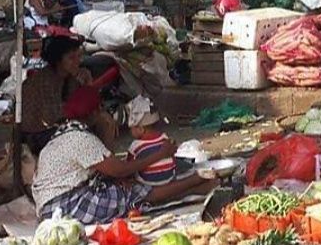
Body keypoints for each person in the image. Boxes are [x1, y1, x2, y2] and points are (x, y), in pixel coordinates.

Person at [31, 86, 217, 223]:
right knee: (131, 192)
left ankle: (190, 189)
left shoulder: (67, 132)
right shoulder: (79, 138)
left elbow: (106, 164)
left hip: (55, 202)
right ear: (95, 111)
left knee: (127, 186)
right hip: (64, 207)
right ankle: (194, 182)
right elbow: (119, 170)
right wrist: (161, 154)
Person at [20, 36, 118, 155]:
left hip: (62, 123)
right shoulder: (44, 81)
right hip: (39, 133)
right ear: (58, 60)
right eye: (71, 58)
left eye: (78, 56)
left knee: (105, 121)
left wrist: (87, 86)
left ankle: (107, 162)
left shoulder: (71, 77)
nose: (77, 61)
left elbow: (89, 104)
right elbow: (52, 116)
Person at [127, 96, 176, 187]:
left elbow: (129, 168)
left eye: (132, 128)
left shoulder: (135, 145)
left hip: (147, 182)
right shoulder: (164, 137)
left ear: (141, 129)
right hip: (169, 178)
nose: (130, 131)